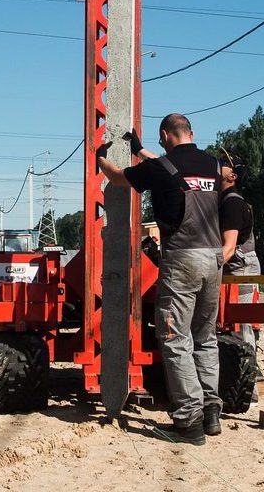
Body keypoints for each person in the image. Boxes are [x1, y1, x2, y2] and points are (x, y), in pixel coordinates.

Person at [98, 112, 223, 445]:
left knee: (175, 338)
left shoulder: (161, 167)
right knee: (205, 336)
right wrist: (140, 150)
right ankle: (211, 410)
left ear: (165, 135)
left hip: (182, 259)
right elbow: (170, 167)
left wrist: (100, 156)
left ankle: (188, 422)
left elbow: (119, 176)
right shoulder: (210, 164)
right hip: (214, 259)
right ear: (190, 133)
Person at [217, 145, 261, 398]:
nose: (218, 164)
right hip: (232, 268)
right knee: (230, 324)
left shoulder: (232, 202)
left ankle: (249, 386)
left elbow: (229, 248)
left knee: (242, 325)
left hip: (241, 269)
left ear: (233, 176)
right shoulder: (222, 199)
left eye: (224, 163)